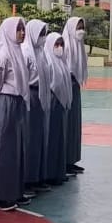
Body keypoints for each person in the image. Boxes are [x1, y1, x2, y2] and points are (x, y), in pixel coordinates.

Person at [0, 17, 29, 211]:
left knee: (14, 149)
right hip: (5, 101)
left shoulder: (17, 52)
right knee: (1, 149)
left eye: (23, 29)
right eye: (18, 29)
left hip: (16, 102)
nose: (22, 33)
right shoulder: (3, 54)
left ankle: (13, 191)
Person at [22, 19, 51, 192]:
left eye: (44, 34)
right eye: (40, 33)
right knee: (30, 138)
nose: (43, 37)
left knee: (39, 138)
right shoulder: (26, 52)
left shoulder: (41, 52)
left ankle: (38, 175)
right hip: (30, 95)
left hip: (41, 95)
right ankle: (28, 178)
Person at [42, 32, 72, 187]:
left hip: (61, 105)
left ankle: (58, 172)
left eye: (61, 44)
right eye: (56, 44)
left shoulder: (62, 62)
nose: (59, 48)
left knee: (60, 137)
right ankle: (50, 173)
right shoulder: (48, 61)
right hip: (53, 102)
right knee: (52, 138)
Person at [61, 16, 88, 174]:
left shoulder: (79, 46)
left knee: (74, 126)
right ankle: (63, 161)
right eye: (78, 27)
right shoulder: (63, 45)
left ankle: (71, 160)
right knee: (65, 125)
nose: (81, 31)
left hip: (74, 86)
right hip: (65, 87)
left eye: (82, 27)